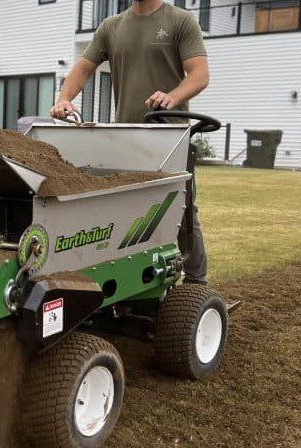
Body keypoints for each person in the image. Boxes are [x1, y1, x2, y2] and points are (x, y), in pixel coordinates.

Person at [50, 0, 211, 283]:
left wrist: (171, 97)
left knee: (181, 208)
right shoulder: (111, 27)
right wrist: (64, 99)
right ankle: (138, 278)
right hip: (125, 138)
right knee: (127, 210)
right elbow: (83, 68)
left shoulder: (180, 20)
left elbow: (199, 75)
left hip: (169, 135)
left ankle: (197, 282)